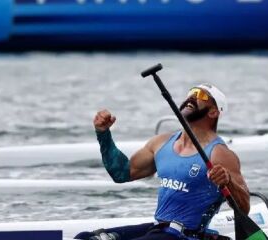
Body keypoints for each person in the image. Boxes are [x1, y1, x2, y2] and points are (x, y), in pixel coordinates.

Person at [74, 84, 250, 240]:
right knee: (84, 237)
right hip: (159, 230)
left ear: (213, 112)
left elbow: (244, 208)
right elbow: (121, 173)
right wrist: (103, 134)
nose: (192, 97)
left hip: (186, 235)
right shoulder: (160, 143)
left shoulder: (219, 154)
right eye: (191, 92)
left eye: (201, 96)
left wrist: (228, 181)